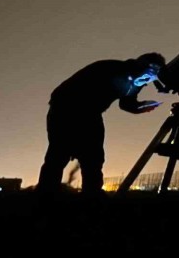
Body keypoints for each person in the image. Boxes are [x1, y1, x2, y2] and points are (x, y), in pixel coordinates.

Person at [36, 52, 167, 195]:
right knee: (59, 154)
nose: (147, 81)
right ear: (140, 65)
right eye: (149, 75)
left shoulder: (136, 79)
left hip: (91, 113)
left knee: (94, 158)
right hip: (66, 108)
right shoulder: (111, 68)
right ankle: (46, 194)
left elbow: (127, 103)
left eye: (151, 78)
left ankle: (92, 194)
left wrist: (142, 106)